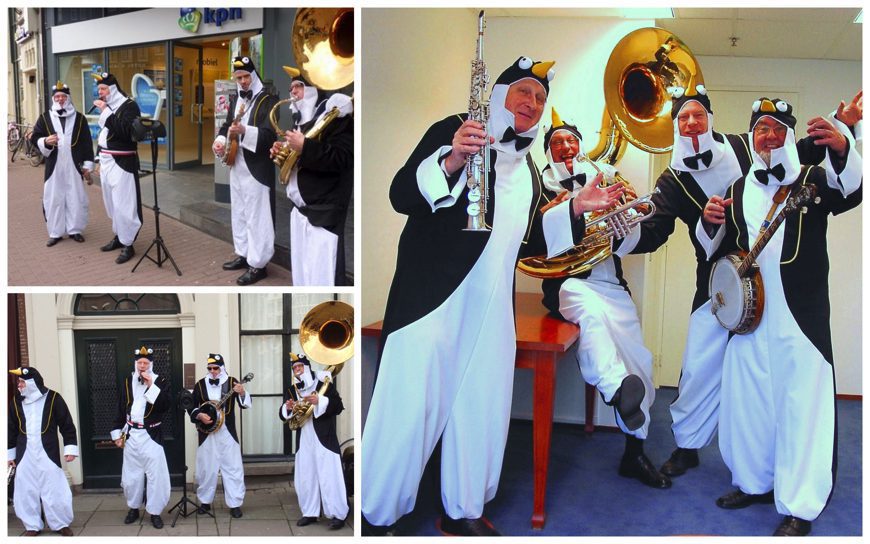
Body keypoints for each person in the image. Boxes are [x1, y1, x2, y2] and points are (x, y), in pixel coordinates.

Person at [361, 56, 624, 537]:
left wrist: (578, 207)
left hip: (491, 309)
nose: (532, 102)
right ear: (499, 93)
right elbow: (402, 195)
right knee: (406, 407)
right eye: (523, 91)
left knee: (482, 407)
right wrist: (453, 157)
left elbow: (532, 245)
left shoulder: (529, 173)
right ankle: (377, 515)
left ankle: (463, 510)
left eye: (541, 98)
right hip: (430, 302)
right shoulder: (454, 129)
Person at [621, 86, 862, 479]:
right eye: (683, 118)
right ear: (675, 127)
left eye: (698, 114)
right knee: (699, 367)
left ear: (710, 118)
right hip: (717, 282)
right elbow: (655, 231)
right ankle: (688, 445)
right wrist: (693, 223)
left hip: (770, 278)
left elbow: (789, 154)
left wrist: (842, 126)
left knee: (755, 374)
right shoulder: (671, 180)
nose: (692, 122)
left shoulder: (743, 146)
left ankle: (770, 465)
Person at [696, 98, 861, 536]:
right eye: (761, 128)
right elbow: (717, 246)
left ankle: (799, 502)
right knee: (748, 402)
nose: (768, 136)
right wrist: (709, 221)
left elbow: (853, 190)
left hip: (800, 317)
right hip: (751, 316)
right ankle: (753, 482)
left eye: (777, 128)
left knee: (801, 405)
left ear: (791, 136)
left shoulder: (814, 178)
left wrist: (843, 147)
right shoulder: (735, 190)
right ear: (752, 136)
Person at [535, 108, 670, 489]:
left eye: (571, 140)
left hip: (612, 283)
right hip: (569, 285)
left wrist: (625, 219)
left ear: (580, 146)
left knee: (640, 361)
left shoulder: (606, 179)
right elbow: (535, 242)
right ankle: (613, 386)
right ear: (548, 150)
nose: (565, 146)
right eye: (557, 141)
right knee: (591, 316)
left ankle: (634, 454)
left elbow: (634, 237)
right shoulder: (541, 189)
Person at [270, 66, 353, 286]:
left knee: (323, 277)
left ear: (313, 87)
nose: (293, 92)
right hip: (300, 213)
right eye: (291, 88)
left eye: (298, 86)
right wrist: (283, 152)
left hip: (323, 216)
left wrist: (304, 147)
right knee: (303, 277)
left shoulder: (336, 114)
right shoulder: (302, 122)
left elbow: (343, 158)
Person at [213, 56, 280, 286]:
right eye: (238, 78)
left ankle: (259, 264)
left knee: (257, 216)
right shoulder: (236, 99)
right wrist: (220, 140)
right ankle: (243, 253)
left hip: (257, 167)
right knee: (239, 212)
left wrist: (245, 131)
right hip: (236, 163)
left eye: (245, 77)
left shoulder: (269, 100)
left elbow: (270, 135)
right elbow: (226, 125)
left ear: (253, 75)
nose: (241, 82)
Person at [279, 354, 348, 530]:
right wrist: (287, 408)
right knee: (306, 476)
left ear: (308, 368)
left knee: (330, 475)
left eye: (300, 367)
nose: (297, 371)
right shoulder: (291, 389)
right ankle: (310, 513)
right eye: (294, 369)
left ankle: (337, 514)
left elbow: (338, 406)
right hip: (304, 439)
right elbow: (282, 415)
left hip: (324, 437)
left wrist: (320, 401)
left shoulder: (323, 385)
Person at [7, 367, 78, 536]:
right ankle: (32, 525)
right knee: (26, 489)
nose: (19, 385)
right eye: (19, 382)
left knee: (55, 488)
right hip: (25, 453)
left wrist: (70, 449)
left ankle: (60, 523)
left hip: (48, 451)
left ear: (32, 382)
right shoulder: (16, 401)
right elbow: (11, 429)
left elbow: (67, 425)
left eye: (22, 381)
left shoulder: (54, 398)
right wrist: (10, 455)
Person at [110, 346, 172, 529]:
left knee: (156, 476)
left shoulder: (160, 381)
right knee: (131, 477)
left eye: (146, 363)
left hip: (152, 436)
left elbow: (165, 406)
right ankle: (134, 508)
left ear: (151, 365)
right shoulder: (128, 380)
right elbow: (121, 407)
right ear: (135, 364)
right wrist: (116, 434)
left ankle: (154, 512)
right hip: (131, 435)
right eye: (140, 363)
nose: (142, 366)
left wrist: (151, 386)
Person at [30, 81, 95, 247]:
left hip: (74, 165)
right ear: (53, 99)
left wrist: (88, 165)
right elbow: (34, 138)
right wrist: (46, 141)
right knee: (53, 198)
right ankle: (55, 232)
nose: (60, 99)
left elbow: (87, 143)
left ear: (68, 98)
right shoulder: (45, 117)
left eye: (63, 96)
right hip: (54, 165)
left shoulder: (80, 118)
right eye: (57, 96)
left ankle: (75, 230)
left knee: (76, 197)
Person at [189, 354, 250, 518]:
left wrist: (242, 392)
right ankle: (205, 502)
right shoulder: (200, 384)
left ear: (222, 367)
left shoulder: (232, 382)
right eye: (210, 368)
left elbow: (245, 404)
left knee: (232, 468)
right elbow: (191, 406)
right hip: (206, 433)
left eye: (216, 368)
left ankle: (235, 504)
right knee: (206, 468)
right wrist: (199, 415)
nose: (213, 371)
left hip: (227, 433)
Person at [92, 72, 142, 264]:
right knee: (111, 203)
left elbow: (127, 132)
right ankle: (120, 236)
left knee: (124, 203)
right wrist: (97, 157)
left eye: (104, 89)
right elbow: (103, 134)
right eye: (99, 90)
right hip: (105, 160)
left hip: (123, 161)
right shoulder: (109, 107)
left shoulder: (130, 106)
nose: (101, 93)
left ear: (112, 89)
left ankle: (128, 243)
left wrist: (105, 112)